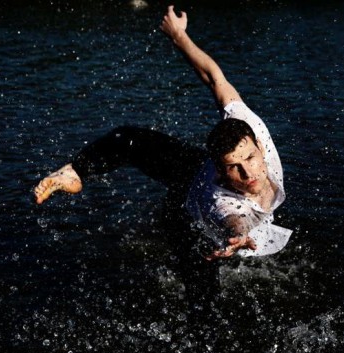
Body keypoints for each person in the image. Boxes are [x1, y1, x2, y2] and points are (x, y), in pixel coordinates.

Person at [34, 5, 291, 299]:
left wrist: (179, 36)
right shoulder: (219, 196)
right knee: (127, 139)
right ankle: (73, 171)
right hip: (192, 191)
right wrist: (237, 234)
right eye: (234, 167)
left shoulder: (250, 127)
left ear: (258, 146)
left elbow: (214, 78)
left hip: (198, 193)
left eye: (249, 159)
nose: (247, 174)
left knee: (202, 291)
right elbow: (234, 220)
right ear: (220, 169)